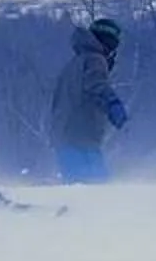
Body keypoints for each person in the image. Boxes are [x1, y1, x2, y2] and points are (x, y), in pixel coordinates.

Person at [48, 16, 129, 184]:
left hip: (66, 135)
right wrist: (112, 103)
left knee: (79, 185)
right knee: (95, 190)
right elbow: (97, 85)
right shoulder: (95, 59)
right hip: (81, 138)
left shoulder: (75, 63)